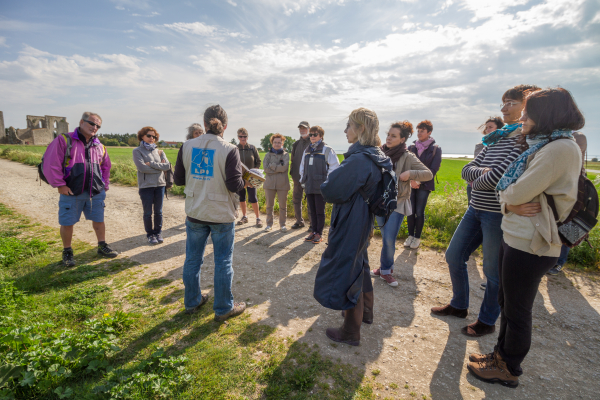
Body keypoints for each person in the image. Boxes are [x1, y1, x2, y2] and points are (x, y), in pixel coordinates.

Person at [468, 88, 584, 387]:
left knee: (517, 309)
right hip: (520, 235)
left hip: (533, 243)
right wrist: (510, 200)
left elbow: (515, 190)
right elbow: (512, 191)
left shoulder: (559, 149)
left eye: (529, 112)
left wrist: (506, 199)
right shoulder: (541, 145)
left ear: (545, 115)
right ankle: (499, 356)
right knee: (507, 302)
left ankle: (509, 368)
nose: (524, 117)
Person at [431, 84, 540, 338]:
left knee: (493, 272)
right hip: (475, 208)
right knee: (454, 256)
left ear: (526, 106)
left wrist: (479, 177)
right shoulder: (499, 136)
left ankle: (487, 320)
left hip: (496, 213)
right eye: (503, 102)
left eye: (510, 103)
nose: (503, 108)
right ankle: (459, 305)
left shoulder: (524, 140)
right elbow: (467, 169)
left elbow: (496, 178)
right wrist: (482, 175)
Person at [314, 107, 393, 346]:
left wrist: (331, 178)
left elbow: (329, 189)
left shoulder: (359, 159)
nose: (345, 130)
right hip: (363, 217)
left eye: (349, 125)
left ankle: (350, 330)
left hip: (352, 218)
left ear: (360, 129)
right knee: (360, 263)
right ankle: (365, 312)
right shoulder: (376, 154)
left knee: (348, 268)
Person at [173, 104, 247, 321]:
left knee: (192, 259)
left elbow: (177, 180)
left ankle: (192, 301)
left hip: (195, 211)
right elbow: (234, 185)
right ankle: (224, 308)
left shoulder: (187, 146)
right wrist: (246, 181)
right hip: (220, 214)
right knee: (223, 261)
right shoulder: (229, 149)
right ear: (225, 126)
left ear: (204, 124)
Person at [42, 111, 118, 267]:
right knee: (67, 222)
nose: (95, 127)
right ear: (81, 122)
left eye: (98, 125)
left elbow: (106, 167)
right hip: (72, 191)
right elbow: (51, 163)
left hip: (95, 191)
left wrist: (105, 185)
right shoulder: (64, 140)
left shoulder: (99, 146)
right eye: (92, 123)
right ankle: (67, 252)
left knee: (99, 220)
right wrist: (60, 185)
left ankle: (102, 246)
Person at [370, 121, 432, 287]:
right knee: (385, 239)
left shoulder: (408, 156)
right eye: (388, 134)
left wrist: (409, 174)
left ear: (402, 139)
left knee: (389, 239)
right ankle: (383, 268)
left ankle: (386, 271)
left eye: (393, 136)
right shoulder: (379, 153)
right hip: (379, 202)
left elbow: (428, 174)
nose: (389, 138)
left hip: (397, 203)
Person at [547, 130, 587, 275]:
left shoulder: (577, 139)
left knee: (567, 228)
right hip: (565, 189)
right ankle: (553, 260)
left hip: (575, 190)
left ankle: (559, 262)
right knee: (558, 226)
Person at [299, 126, 340, 244]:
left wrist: (327, 182)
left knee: (319, 211)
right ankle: (313, 231)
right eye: (311, 134)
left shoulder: (327, 150)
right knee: (311, 210)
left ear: (321, 136)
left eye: (315, 134)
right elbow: (302, 166)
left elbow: (334, 167)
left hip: (321, 186)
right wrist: (303, 180)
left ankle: (319, 233)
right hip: (309, 184)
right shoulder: (307, 149)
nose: (312, 137)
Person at [405, 120, 442, 249]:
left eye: (422, 131)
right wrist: (411, 181)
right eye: (418, 131)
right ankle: (410, 235)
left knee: (419, 211)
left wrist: (418, 181)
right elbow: (406, 165)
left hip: (425, 184)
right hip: (411, 183)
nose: (419, 133)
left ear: (429, 132)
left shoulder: (436, 148)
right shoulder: (411, 147)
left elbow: (433, 169)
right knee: (410, 210)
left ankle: (417, 237)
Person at [132, 126, 171, 245]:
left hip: (160, 185)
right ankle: (150, 234)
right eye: (149, 135)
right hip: (146, 186)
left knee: (158, 212)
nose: (151, 138)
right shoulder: (137, 151)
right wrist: (159, 167)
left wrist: (152, 164)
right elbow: (142, 168)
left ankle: (158, 232)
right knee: (148, 212)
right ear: (142, 136)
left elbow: (167, 166)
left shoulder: (159, 151)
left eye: (154, 136)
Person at [469, 117, 505, 203]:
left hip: (492, 185)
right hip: (474, 183)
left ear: (499, 128)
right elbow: (475, 165)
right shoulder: (480, 145)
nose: (487, 130)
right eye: (486, 128)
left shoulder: (503, 144)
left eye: (490, 127)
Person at [263, 133, 290, 232]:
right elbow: (265, 169)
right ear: (272, 143)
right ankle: (269, 224)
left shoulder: (286, 155)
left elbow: (284, 168)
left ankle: (282, 224)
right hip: (269, 184)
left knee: (283, 206)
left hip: (283, 184)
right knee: (269, 206)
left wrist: (272, 166)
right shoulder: (267, 155)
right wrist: (276, 168)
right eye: (275, 142)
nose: (277, 144)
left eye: (279, 142)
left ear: (282, 143)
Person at [235, 128, 262, 227]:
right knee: (242, 197)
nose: (243, 138)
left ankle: (258, 218)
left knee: (253, 197)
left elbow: (258, 161)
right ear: (238, 137)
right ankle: (244, 217)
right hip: (240, 177)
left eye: (245, 136)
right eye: (241, 136)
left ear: (247, 137)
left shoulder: (252, 148)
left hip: (251, 178)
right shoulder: (235, 148)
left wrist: (255, 170)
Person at [290, 121, 312, 230]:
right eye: (300, 128)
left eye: (304, 128)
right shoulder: (296, 144)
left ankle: (313, 224)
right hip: (297, 178)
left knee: (310, 201)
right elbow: (292, 160)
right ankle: (299, 221)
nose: (302, 130)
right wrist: (292, 173)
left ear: (309, 129)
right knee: (296, 200)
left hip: (310, 179)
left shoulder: (313, 143)